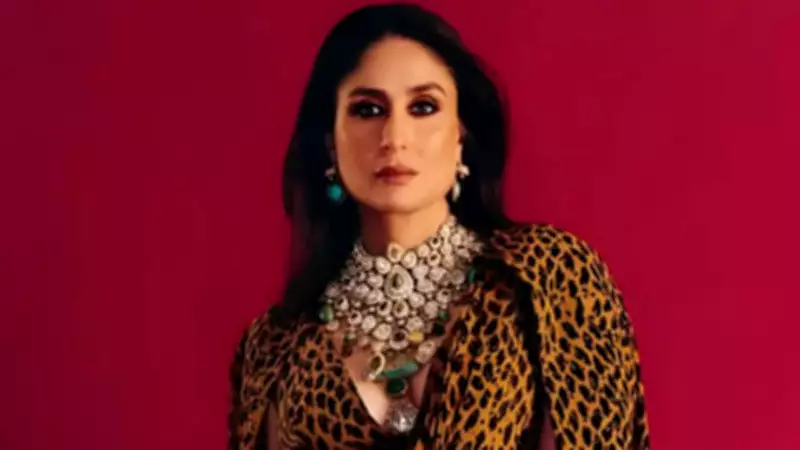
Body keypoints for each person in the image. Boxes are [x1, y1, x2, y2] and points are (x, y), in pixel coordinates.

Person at [228, 3, 650, 449]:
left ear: (461, 135)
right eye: (368, 110)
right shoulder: (275, 345)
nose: (394, 137)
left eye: (423, 106)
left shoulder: (548, 279)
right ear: (331, 143)